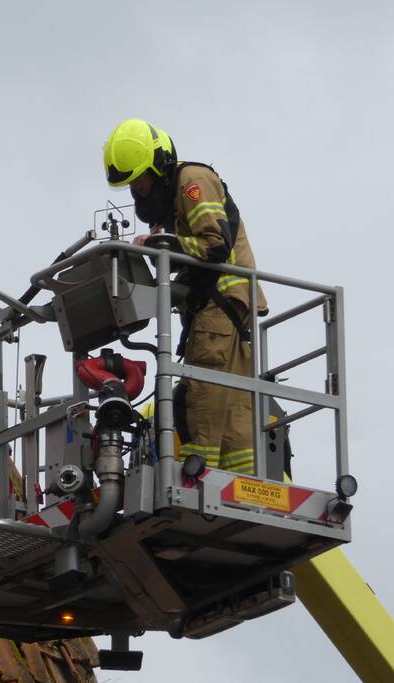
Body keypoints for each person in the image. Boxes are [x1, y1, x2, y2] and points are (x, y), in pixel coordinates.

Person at [103, 119, 268, 475]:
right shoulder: (172, 201)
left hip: (218, 309)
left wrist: (164, 245)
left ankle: (197, 480)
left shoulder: (192, 183)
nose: (138, 190)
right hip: (226, 312)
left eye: (140, 180)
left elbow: (215, 245)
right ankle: (243, 489)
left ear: (159, 167)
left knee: (202, 402)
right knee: (233, 413)